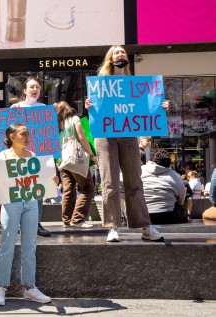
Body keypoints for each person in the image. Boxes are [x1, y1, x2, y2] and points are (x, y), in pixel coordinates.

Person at [85, 45, 166, 243]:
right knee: (109, 182)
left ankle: (145, 226)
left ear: (127, 58)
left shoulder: (136, 85)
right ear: (109, 59)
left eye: (122, 52)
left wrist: (161, 107)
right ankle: (113, 227)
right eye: (116, 52)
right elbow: (97, 114)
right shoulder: (100, 85)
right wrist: (90, 106)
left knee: (134, 180)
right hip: (105, 136)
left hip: (129, 134)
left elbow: (149, 108)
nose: (120, 54)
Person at [0, 123, 54, 306]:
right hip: (11, 204)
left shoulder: (33, 156)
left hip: (31, 203)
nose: (27, 137)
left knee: (30, 246)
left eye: (28, 134)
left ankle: (29, 288)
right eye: (23, 134)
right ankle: (0, 287)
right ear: (12, 137)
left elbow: (40, 180)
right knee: (7, 244)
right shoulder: (2, 156)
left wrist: (51, 180)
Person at [11, 77, 51, 237]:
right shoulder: (16, 108)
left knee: (38, 191)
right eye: (32, 87)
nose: (35, 90)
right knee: (22, 188)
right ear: (25, 91)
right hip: (20, 156)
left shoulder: (44, 108)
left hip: (39, 157)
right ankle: (21, 222)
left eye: (38, 87)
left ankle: (36, 223)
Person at [56, 101, 96, 228]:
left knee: (68, 190)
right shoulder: (74, 119)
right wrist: (91, 155)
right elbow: (82, 137)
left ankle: (66, 220)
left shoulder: (58, 125)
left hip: (63, 160)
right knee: (88, 188)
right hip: (75, 158)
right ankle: (78, 219)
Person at [141, 149, 187, 224]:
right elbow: (181, 198)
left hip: (143, 215)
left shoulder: (140, 171)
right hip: (167, 215)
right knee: (181, 209)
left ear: (151, 159)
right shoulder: (175, 176)